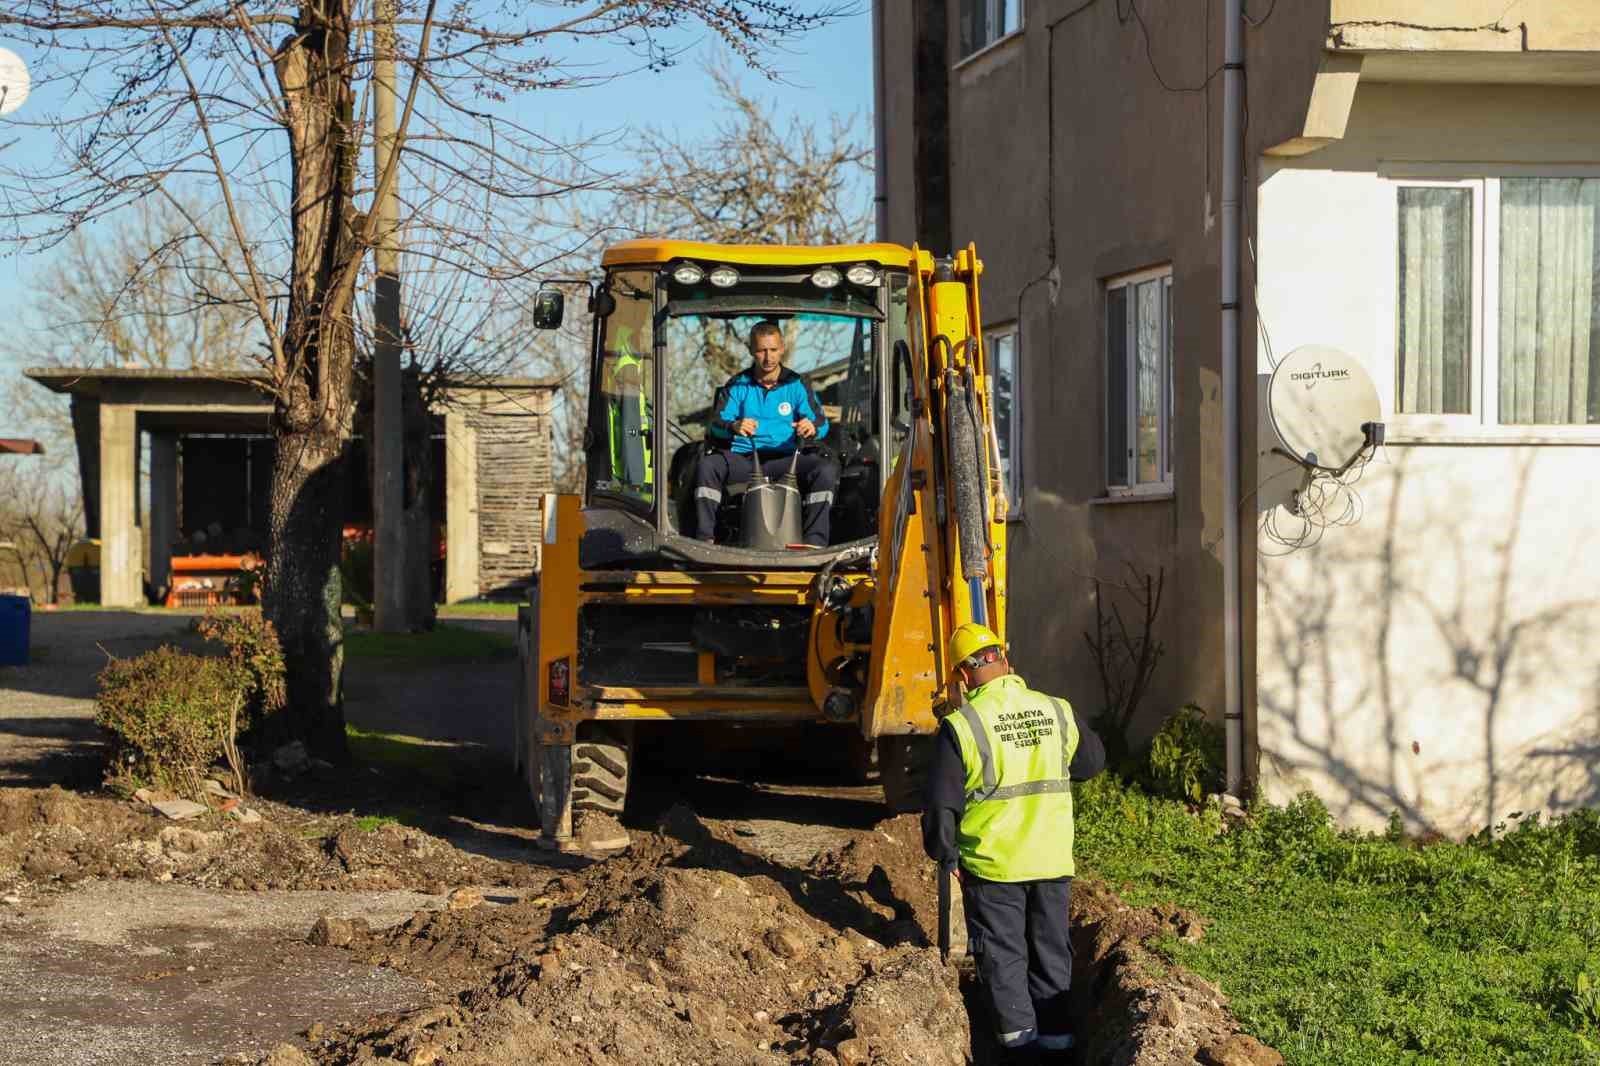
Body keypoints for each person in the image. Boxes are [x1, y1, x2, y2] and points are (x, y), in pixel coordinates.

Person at [922, 623, 1106, 1065]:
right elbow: (1092, 763)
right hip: (1050, 858)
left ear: (963, 676)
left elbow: (942, 804)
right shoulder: (1056, 710)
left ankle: (1019, 1054)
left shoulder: (962, 726)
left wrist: (945, 854)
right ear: (1005, 660)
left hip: (994, 866)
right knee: (1050, 951)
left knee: (1003, 958)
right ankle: (1059, 1049)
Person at [693, 320, 840, 546]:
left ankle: (814, 543)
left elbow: (821, 423)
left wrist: (811, 427)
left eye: (773, 350)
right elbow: (715, 423)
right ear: (752, 350)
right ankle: (706, 540)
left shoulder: (797, 384)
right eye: (761, 350)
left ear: (782, 348)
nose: (768, 357)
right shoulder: (738, 385)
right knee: (707, 465)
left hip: (788, 460)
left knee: (826, 469)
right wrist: (734, 426)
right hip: (745, 461)